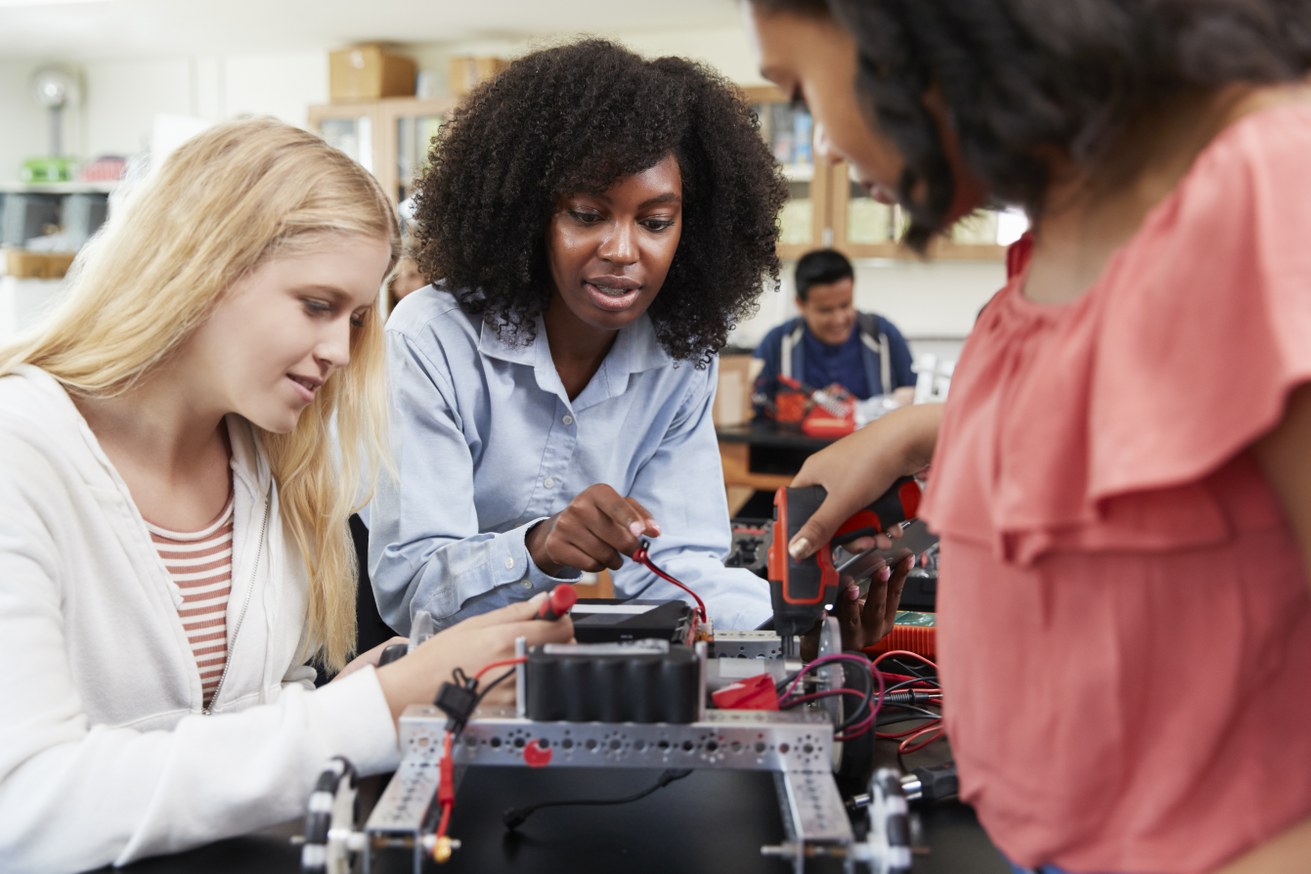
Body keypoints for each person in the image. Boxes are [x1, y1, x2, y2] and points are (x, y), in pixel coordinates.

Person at [743, 2, 1311, 873]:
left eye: (802, 92)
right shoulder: (1050, 247)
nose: (822, 146)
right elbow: (1123, 400)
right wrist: (908, 439)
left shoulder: (1271, 199)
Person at [0, 117, 571, 873]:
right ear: (202, 265)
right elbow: (27, 805)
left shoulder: (270, 470)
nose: (340, 352)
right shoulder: (20, 456)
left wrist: (369, 692)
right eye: (316, 305)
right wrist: (371, 710)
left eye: (358, 319)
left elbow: (223, 729)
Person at [368, 39, 789, 636]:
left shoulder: (680, 356)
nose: (621, 251)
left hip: (542, 649)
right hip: (409, 655)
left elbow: (680, 567)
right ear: (531, 215)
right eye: (588, 215)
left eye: (655, 222)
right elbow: (413, 590)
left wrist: (806, 622)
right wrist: (538, 548)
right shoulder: (432, 340)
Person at [751, 247, 914, 420]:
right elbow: (756, 408)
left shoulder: (883, 336)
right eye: (825, 311)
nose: (839, 319)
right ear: (800, 304)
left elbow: (913, 393)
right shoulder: (777, 343)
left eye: (845, 305)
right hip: (802, 447)